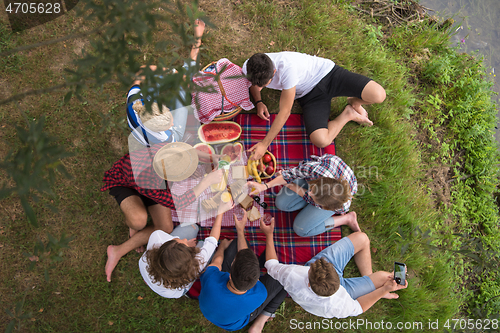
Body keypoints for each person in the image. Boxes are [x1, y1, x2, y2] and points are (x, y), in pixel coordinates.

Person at [102, 142, 223, 282]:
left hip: (150, 185)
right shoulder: (151, 182)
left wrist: (210, 156)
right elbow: (178, 202)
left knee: (166, 227)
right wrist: (206, 182)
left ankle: (131, 229)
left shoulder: (166, 151)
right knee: (138, 221)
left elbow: (189, 150)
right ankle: (123, 242)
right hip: (125, 184)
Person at [242, 52, 386, 159]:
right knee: (321, 140)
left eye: (264, 84)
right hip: (310, 96)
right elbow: (254, 84)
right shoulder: (248, 67)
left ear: (274, 71)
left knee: (379, 94)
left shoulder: (288, 69)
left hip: (330, 74)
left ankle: (355, 101)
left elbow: (285, 112)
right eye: (257, 85)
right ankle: (348, 113)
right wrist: (259, 101)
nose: (259, 88)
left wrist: (264, 144)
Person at [260, 219, 408, 319]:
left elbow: (271, 265)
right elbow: (359, 307)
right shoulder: (339, 305)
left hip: (327, 289)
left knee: (363, 240)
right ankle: (371, 286)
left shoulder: (294, 274)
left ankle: (370, 285)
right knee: (382, 273)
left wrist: (268, 234)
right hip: (345, 291)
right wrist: (381, 291)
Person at [198, 210, 287, 333]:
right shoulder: (260, 293)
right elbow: (275, 270)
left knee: (234, 245)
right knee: (284, 278)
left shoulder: (211, 277)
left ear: (229, 273)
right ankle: (263, 318)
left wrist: (223, 246)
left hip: (212, 310)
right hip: (237, 322)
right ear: (256, 281)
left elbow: (217, 260)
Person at [126, 19, 206, 147]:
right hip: (170, 137)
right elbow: (171, 135)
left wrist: (175, 73)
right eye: (170, 122)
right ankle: (197, 42)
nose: (173, 123)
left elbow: (142, 70)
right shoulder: (166, 138)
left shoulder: (134, 101)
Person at [138, 199, 233, 298]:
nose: (184, 239)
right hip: (175, 289)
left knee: (192, 227)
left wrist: (186, 246)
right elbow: (213, 240)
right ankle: (186, 291)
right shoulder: (196, 264)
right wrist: (221, 211)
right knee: (205, 246)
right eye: (184, 243)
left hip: (151, 273)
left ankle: (149, 281)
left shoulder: (157, 238)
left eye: (179, 241)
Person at [248, 154, 359, 237]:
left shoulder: (341, 206)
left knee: (301, 230)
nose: (309, 192)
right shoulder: (314, 170)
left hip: (325, 197)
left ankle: (347, 219)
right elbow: (290, 174)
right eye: (313, 189)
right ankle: (311, 202)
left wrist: (291, 185)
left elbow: (307, 195)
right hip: (319, 176)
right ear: (318, 181)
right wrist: (265, 186)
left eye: (312, 195)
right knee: (281, 203)